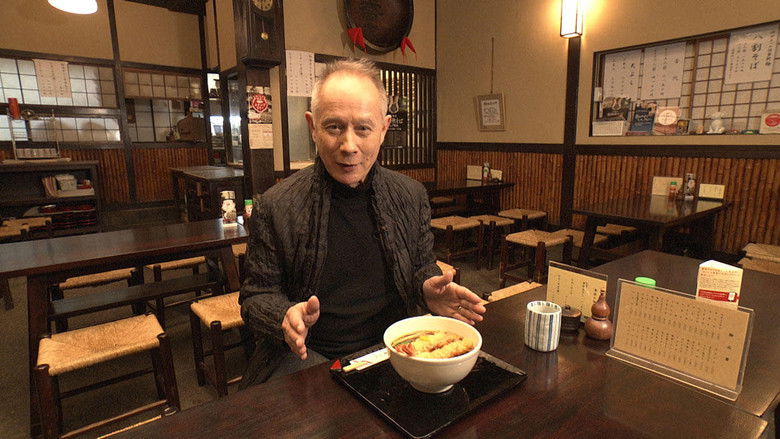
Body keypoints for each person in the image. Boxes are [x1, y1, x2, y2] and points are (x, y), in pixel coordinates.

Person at [239, 58, 486, 387]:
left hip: (395, 352)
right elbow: (255, 296)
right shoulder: (276, 205)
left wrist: (427, 287)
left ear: (383, 129)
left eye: (363, 129)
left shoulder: (410, 195)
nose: (349, 146)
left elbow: (421, 265)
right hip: (310, 359)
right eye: (334, 127)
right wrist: (284, 317)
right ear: (312, 127)